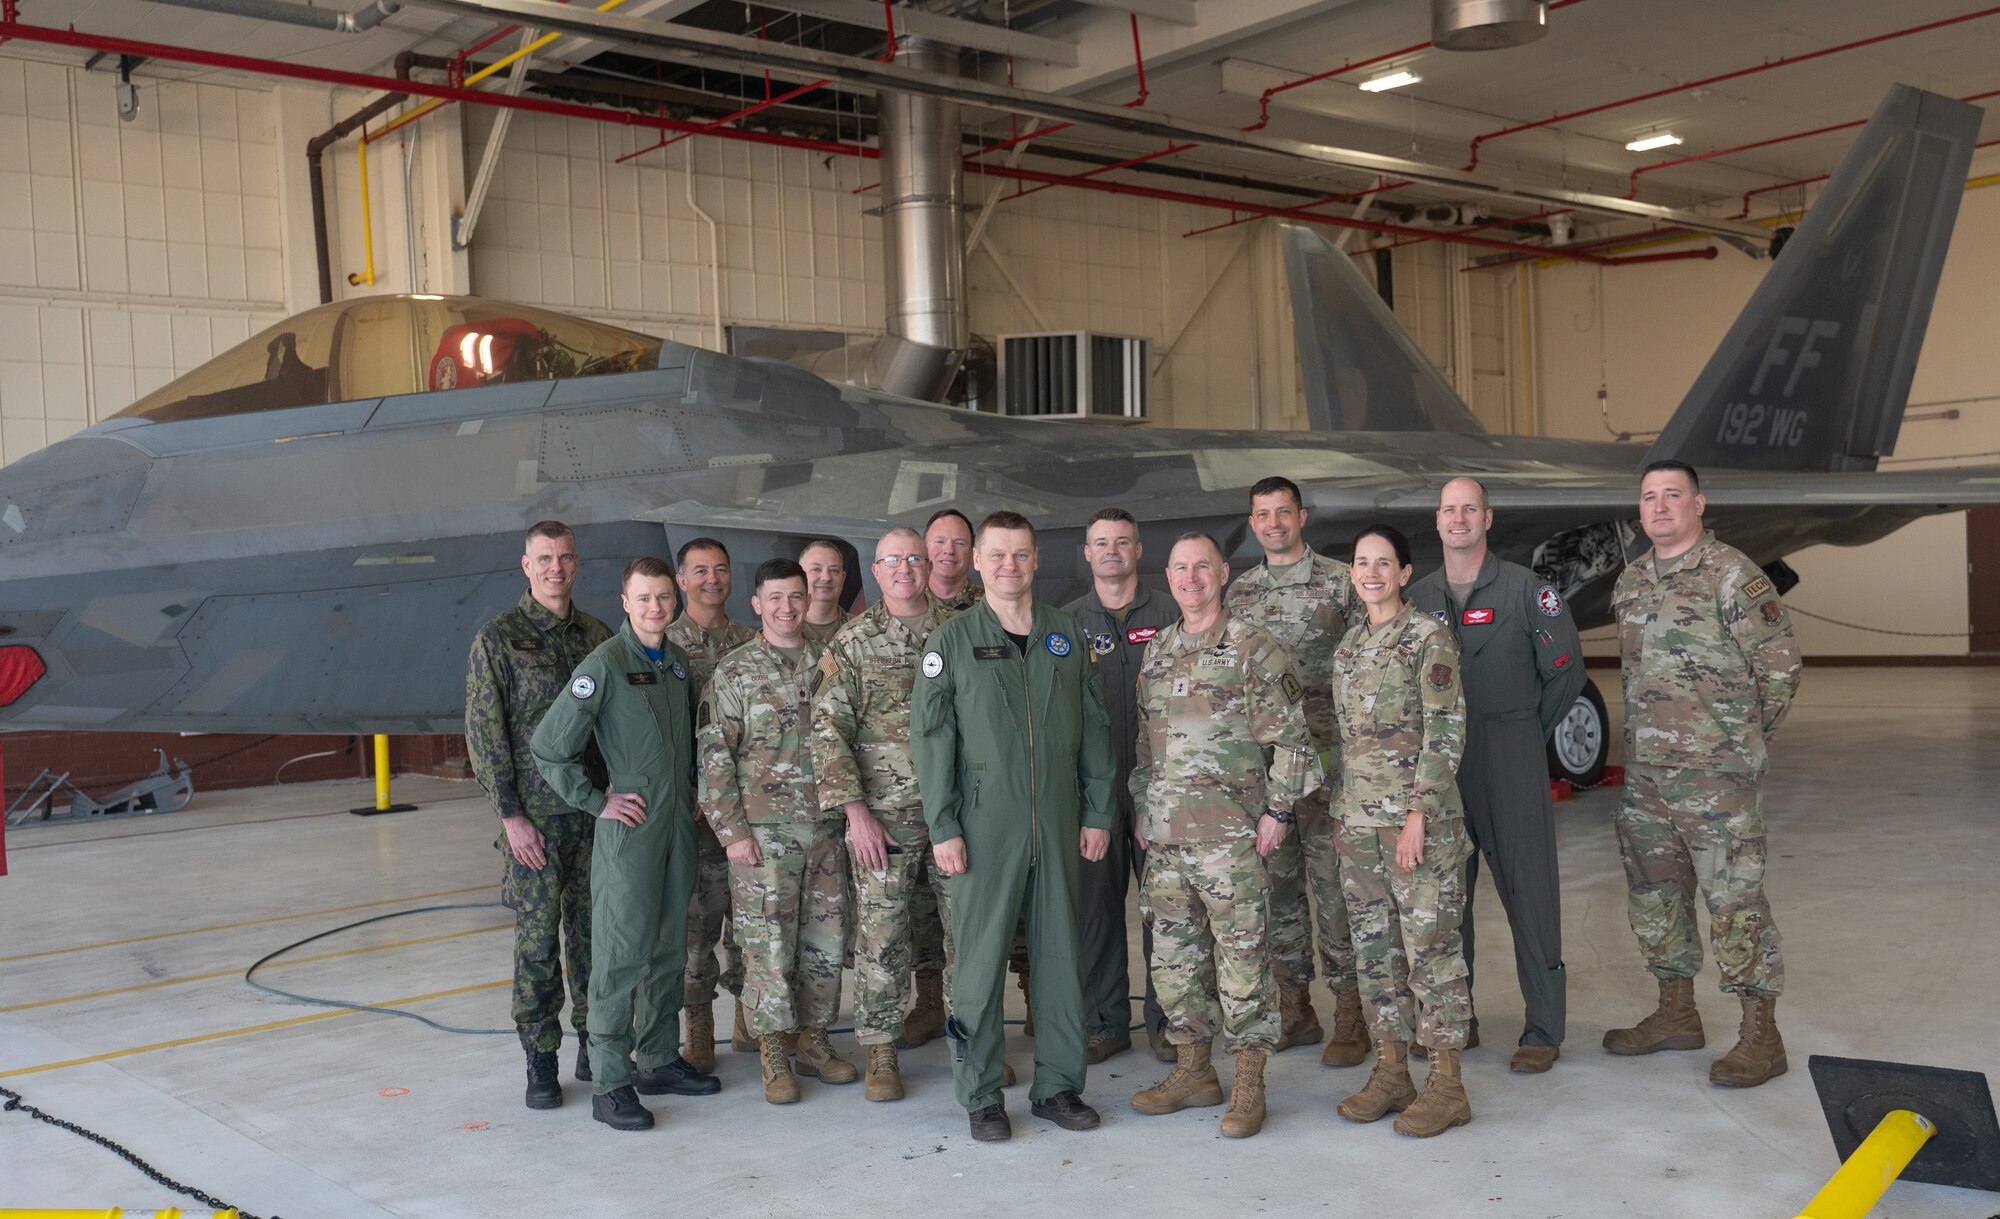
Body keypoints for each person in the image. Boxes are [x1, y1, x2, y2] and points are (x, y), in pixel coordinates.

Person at [912, 510, 1118, 1142]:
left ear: (1036, 560)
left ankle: (1059, 1087)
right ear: (977, 561)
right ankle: (980, 1095)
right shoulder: (950, 642)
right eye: (997, 555)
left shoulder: (1065, 635)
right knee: (977, 967)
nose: (1009, 566)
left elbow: (1095, 729)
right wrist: (943, 825)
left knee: (1060, 957)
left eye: (1021, 555)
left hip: (1056, 822)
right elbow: (931, 738)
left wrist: (1099, 810)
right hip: (982, 828)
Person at [1603, 460, 1800, 1089]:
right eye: (1649, 498)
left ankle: (1761, 1036)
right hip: (1648, 779)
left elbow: (1780, 670)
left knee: (1734, 903)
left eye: (1672, 496)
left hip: (1717, 780)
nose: (1659, 507)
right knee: (1656, 899)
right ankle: (1676, 1014)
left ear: (1699, 504)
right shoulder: (1632, 581)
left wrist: (1739, 742)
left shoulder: (1734, 576)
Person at [1128, 533, 1318, 1139]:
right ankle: (1193, 1072)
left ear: (1222, 573)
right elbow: (1144, 743)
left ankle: (1248, 1081)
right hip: (1165, 839)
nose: (1191, 578)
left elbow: (1292, 738)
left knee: (1241, 965)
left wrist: (1279, 812)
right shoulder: (1158, 650)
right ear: (1168, 574)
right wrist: (1140, 807)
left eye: (1201, 567)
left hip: (1231, 840)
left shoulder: (1253, 647)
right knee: (1175, 963)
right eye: (1180, 568)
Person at [531, 556, 721, 1132]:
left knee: (668, 949)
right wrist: (597, 801)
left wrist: (688, 789)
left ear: (677, 596)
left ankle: (658, 1059)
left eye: (664, 596)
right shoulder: (605, 665)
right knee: (620, 958)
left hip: (676, 829)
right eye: (644, 598)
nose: (656, 607)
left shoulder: (679, 664)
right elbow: (549, 747)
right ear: (624, 601)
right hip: (631, 830)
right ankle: (611, 1082)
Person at [1407, 477, 1585, 1074]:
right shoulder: (1419, 597)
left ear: (1488, 517)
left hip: (1509, 752)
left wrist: (1524, 733)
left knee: (1529, 893)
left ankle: (1543, 1028)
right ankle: (1456, 1021)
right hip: (1441, 763)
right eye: (1449, 509)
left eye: (1470, 508)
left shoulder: (1527, 590)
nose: (1459, 518)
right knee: (1443, 898)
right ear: (1437, 521)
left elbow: (1565, 671)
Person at [1331, 524, 1475, 1139]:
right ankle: (1392, 1072)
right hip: (1359, 828)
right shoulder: (1347, 648)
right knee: (1376, 957)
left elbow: (1446, 732)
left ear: (1405, 572)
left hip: (1419, 829)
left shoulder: (1427, 639)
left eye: (1382, 562)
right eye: (1361, 563)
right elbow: (1347, 743)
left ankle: (1447, 1086)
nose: (1370, 572)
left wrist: (1416, 815)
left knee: (1432, 956)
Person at [466, 520, 613, 1109]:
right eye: (544, 558)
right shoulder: (499, 637)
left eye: (566, 558)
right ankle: (540, 1056)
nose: (556, 568)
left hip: (591, 818)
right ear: (526, 565)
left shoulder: (598, 636)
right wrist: (510, 815)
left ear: (578, 565)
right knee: (536, 945)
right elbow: (485, 732)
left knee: (593, 942)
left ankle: (592, 1045)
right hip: (535, 825)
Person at [811, 527, 960, 1100]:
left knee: (964, 935)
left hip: (956, 814)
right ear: (876, 571)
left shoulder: (962, 630)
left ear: (929, 565)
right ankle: (880, 1053)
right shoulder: (853, 642)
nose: (904, 568)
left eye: (914, 557)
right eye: (892, 559)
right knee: (882, 934)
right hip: (884, 819)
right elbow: (827, 731)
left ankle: (971, 1046)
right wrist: (856, 814)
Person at [1223, 476, 1367, 1063]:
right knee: (1277, 892)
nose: (1274, 523)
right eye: (1262, 514)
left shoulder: (1339, 583)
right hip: (1268, 771)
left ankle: (1351, 1014)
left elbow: (1364, 667)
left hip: (1330, 765)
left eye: (1284, 512)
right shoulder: (1240, 592)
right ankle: (1296, 1008)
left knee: (1336, 893)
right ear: (1252, 522)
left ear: (1302, 517)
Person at [700, 558, 855, 1104]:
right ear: (757, 604)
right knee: (766, 947)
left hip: (828, 831)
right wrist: (732, 832)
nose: (788, 607)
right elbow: (715, 758)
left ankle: (813, 1042)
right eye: (776, 598)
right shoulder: (736, 671)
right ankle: (772, 1052)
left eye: (796, 596)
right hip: (763, 837)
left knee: (825, 942)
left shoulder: (832, 663)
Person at [1063, 508, 1177, 1064]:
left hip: (1166, 793)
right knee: (1097, 911)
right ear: (1087, 554)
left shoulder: (1173, 613)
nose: (1111, 551)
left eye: (1122, 542)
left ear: (1138, 550)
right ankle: (1105, 1023)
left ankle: (1170, 1021)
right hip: (1094, 797)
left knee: (1170, 910)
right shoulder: (1061, 626)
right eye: (1100, 542)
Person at [665, 537, 758, 1071]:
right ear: (681, 580)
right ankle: (698, 1031)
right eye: (699, 570)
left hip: (753, 813)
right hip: (699, 820)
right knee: (698, 931)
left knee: (751, 928)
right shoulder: (668, 643)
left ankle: (749, 1020)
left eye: (720, 569)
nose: (712, 579)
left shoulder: (751, 640)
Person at [926, 508, 982, 611]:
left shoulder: (991, 606)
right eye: (939, 541)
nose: (949, 550)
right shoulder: (904, 602)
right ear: (924, 549)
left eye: (959, 543)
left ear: (972, 554)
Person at [799, 539, 853, 644]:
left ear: (843, 578)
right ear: (800, 576)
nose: (826, 578)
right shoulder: (781, 632)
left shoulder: (864, 630)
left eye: (834, 570)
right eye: (816, 569)